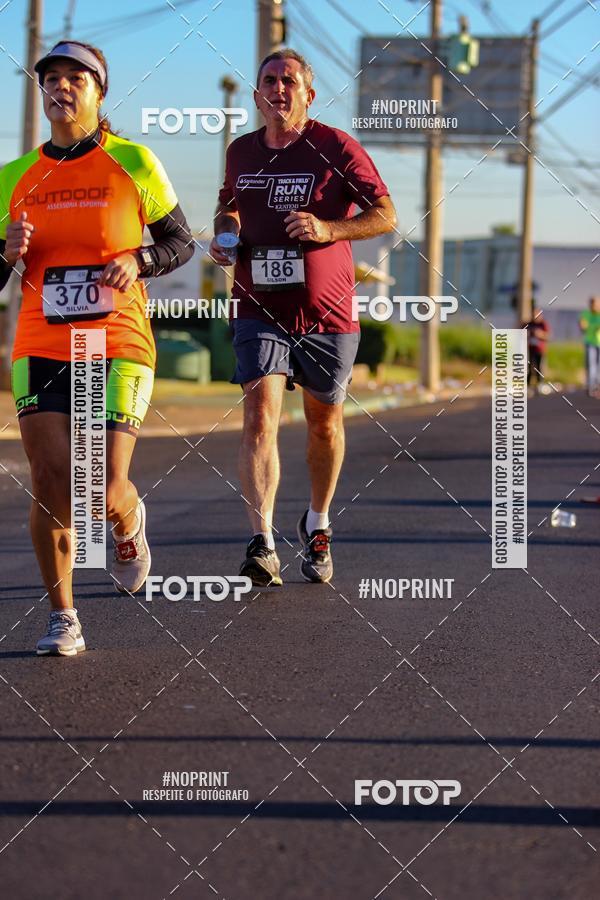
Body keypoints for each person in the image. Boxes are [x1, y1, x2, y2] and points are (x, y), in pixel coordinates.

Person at [0, 40, 194, 655]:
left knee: (103, 486)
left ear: (98, 91)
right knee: (51, 480)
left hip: (116, 338)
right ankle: (63, 617)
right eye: (50, 78)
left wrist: (139, 259)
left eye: (75, 79)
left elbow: (180, 242)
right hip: (41, 339)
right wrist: (7, 254)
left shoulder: (133, 163)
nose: (61, 87)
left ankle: (127, 520)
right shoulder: (13, 177)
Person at [209, 49, 396, 587]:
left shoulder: (335, 146)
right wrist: (226, 234)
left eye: (289, 80)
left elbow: (385, 214)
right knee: (259, 417)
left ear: (308, 95)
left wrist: (328, 229)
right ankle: (262, 541)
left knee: (323, 424)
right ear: (257, 94)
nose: (278, 88)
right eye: (268, 80)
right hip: (258, 305)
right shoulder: (241, 151)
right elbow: (229, 206)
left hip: (328, 311)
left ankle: (317, 522)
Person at [521, 303, 550, 390]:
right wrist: (528, 334)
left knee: (539, 367)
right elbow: (521, 333)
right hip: (530, 349)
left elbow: (548, 336)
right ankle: (528, 385)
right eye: (533, 314)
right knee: (529, 367)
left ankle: (539, 385)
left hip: (540, 349)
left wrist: (539, 334)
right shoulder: (529, 324)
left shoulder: (543, 324)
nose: (535, 316)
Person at [579, 296, 600, 397]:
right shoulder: (586, 314)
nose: (594, 306)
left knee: (598, 366)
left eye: (595, 303)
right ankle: (591, 387)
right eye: (592, 304)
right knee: (591, 366)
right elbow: (583, 326)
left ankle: (597, 386)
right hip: (590, 343)